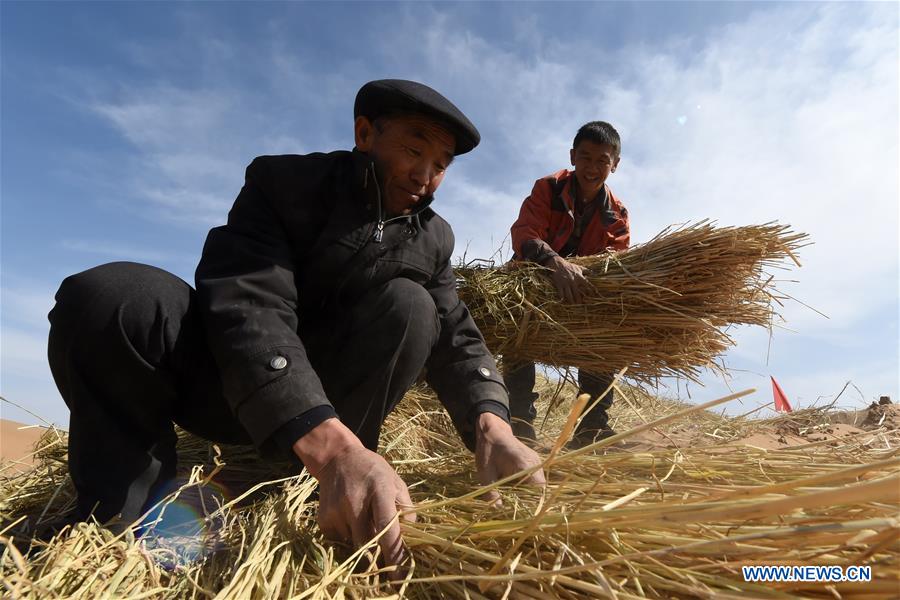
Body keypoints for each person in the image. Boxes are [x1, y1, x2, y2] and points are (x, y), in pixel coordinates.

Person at [47, 79, 545, 570]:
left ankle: (307, 479)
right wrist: (328, 445)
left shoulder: (434, 238)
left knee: (413, 305)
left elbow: (456, 332)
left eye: (441, 165)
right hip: (230, 384)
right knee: (116, 296)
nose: (425, 176)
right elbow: (250, 301)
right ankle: (119, 514)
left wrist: (492, 424)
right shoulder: (284, 184)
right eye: (415, 151)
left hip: (330, 402)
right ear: (365, 134)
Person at [507, 121, 630, 448]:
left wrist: (587, 283)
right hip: (533, 279)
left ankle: (591, 428)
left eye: (602, 160)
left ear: (615, 164)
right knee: (517, 324)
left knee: (607, 332)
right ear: (573, 156)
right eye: (585, 157)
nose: (592, 167)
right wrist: (554, 264)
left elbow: (615, 262)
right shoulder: (548, 188)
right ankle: (519, 422)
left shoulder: (617, 214)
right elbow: (525, 233)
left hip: (580, 292)